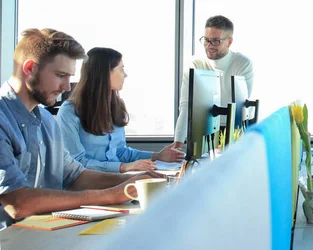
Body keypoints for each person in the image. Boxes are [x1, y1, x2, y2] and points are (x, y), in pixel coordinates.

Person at [0, 28, 162, 230]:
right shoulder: (2, 120)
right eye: (61, 75)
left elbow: (76, 176)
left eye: (70, 77)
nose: (67, 87)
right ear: (30, 68)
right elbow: (17, 203)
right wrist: (111, 195)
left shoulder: (47, 122)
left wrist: (132, 182)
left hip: (40, 235)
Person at [56, 47, 184, 173]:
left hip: (115, 180)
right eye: (121, 69)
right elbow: (76, 162)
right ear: (106, 73)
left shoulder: (117, 106)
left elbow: (119, 152)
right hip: (88, 184)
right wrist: (123, 167)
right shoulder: (70, 112)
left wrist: (158, 156)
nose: (126, 75)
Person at [173, 15, 254, 148]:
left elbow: (239, 106)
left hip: (235, 129)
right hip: (204, 128)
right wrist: (178, 143)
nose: (209, 46)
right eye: (206, 40)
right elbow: (186, 105)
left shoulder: (243, 64)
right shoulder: (196, 64)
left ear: (229, 42)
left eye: (215, 41)